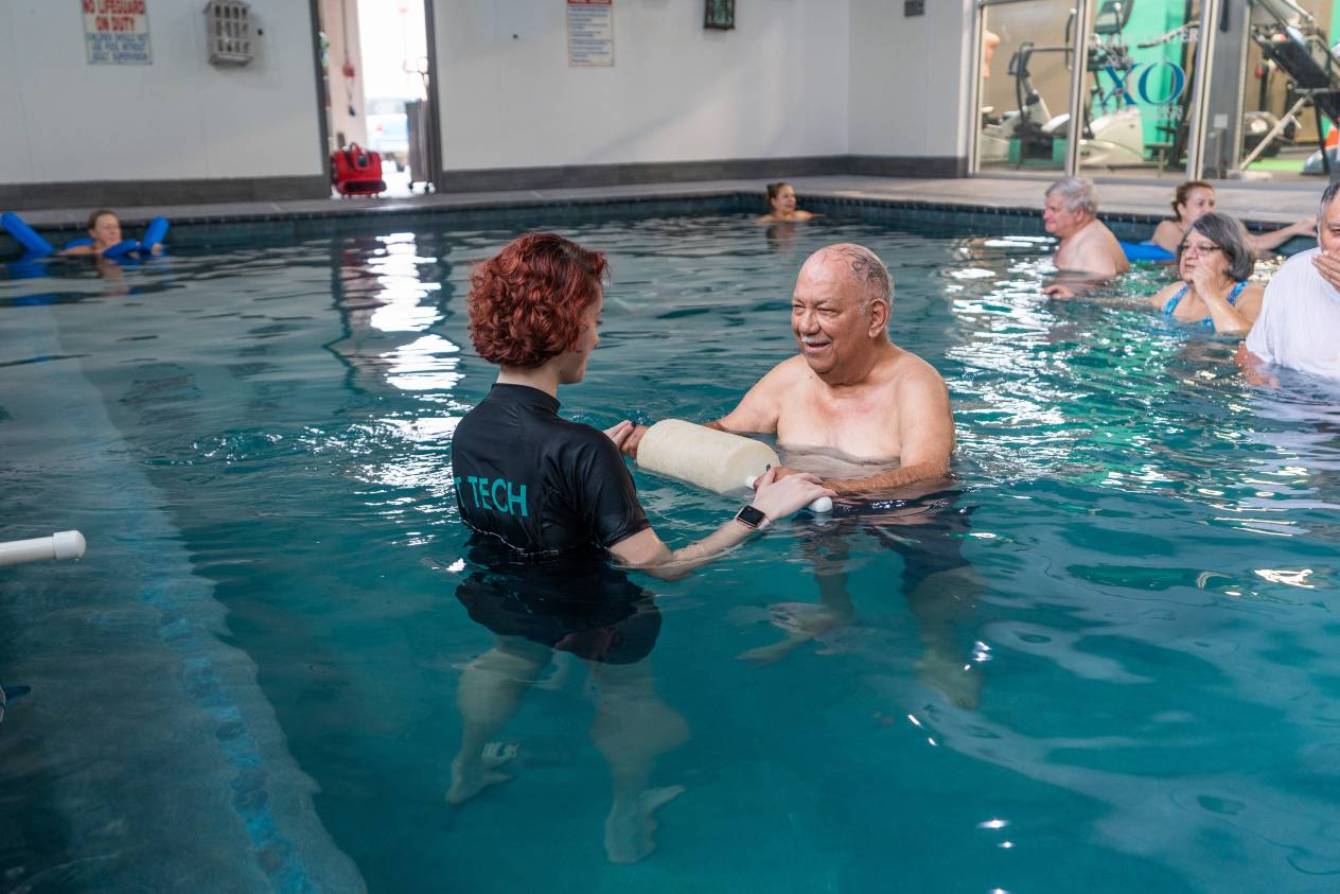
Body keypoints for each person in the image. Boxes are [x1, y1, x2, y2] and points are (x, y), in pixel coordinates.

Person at [447, 233, 832, 860]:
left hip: (499, 598)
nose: (597, 337)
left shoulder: (471, 429)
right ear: (566, 326)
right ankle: (627, 810)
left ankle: (465, 767)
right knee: (630, 701)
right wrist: (759, 512)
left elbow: (520, 500)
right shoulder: (580, 450)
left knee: (505, 661)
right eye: (594, 321)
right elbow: (664, 568)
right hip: (597, 620)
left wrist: (581, 462)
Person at [621, 244, 978, 705]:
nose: (806, 326)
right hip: (818, 509)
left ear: (874, 318)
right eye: (798, 308)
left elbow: (928, 471)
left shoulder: (915, 382)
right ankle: (834, 610)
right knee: (813, 516)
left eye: (825, 310)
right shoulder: (790, 379)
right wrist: (659, 441)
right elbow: (725, 430)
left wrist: (829, 487)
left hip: (905, 509)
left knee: (927, 542)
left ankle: (940, 648)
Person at [1240, 181, 1340, 380]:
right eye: (1337, 232)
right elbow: (1251, 354)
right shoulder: (1292, 274)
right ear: (1319, 231)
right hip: (1291, 403)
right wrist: (1259, 380)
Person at [1145, 212, 1263, 336]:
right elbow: (1133, 308)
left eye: (1204, 248)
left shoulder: (1250, 294)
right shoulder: (1177, 293)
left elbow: (1249, 338)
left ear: (1231, 259)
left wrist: (1211, 295)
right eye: (1186, 247)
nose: (1189, 255)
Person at [1149, 180, 1315, 256]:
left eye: (1211, 203)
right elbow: (1186, 254)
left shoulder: (1221, 228)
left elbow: (1255, 242)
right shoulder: (1168, 228)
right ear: (1182, 208)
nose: (1208, 209)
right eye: (1200, 204)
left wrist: (1295, 228)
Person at [1041, 177, 1129, 293]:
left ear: (1078, 214)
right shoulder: (1078, 233)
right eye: (1046, 208)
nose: (1045, 216)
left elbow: (1106, 288)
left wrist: (1074, 294)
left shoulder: (1091, 247)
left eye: (1054, 209)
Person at [58, 209, 164, 257]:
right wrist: (97, 253)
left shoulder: (132, 246)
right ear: (93, 233)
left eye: (116, 227)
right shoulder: (87, 249)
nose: (113, 231)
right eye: (107, 228)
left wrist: (154, 249)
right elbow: (61, 254)